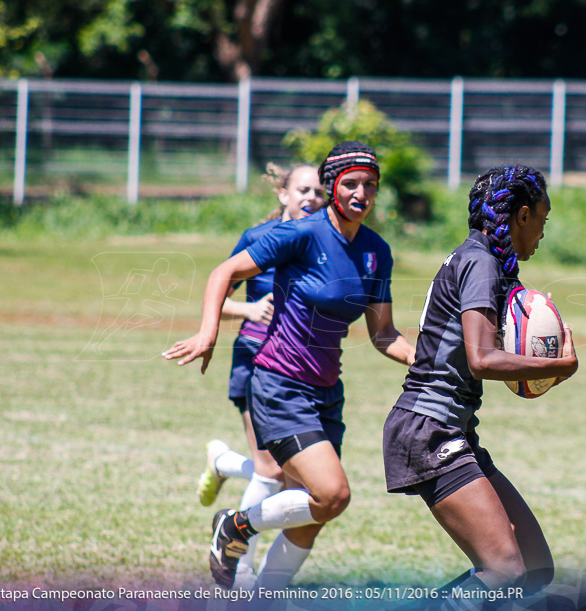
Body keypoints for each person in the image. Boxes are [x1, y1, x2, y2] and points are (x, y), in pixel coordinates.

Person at [164, 142, 415, 589]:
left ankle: (263, 597)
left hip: (326, 392)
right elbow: (222, 274)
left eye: (370, 185)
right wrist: (208, 333)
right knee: (333, 494)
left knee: (313, 511)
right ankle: (236, 526)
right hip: (280, 384)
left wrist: (425, 359)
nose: (362, 193)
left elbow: (383, 334)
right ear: (333, 186)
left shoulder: (376, 251)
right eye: (351, 184)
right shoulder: (304, 233)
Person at [382, 164, 578, 603]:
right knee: (505, 569)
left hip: (451, 430)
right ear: (521, 216)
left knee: (534, 568)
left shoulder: (483, 259)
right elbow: (482, 358)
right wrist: (558, 367)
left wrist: (540, 369)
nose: (543, 234)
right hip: (427, 429)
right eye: (542, 221)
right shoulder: (480, 263)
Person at [193, 163, 324, 588]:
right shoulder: (257, 239)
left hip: (298, 370)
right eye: (303, 189)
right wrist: (248, 309)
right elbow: (216, 295)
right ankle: (240, 571)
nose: (312, 198)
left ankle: (225, 462)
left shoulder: (321, 243)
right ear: (283, 194)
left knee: (288, 479)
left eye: (319, 192)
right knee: (271, 474)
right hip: (255, 361)